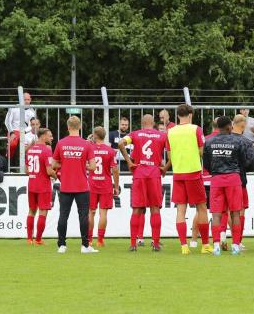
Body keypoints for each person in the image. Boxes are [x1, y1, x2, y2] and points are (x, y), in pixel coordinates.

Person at [162, 104, 211, 254]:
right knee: (201, 208)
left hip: (178, 174)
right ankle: (205, 245)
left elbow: (169, 156)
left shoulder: (170, 132)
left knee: (180, 210)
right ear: (190, 115)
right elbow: (202, 151)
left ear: (177, 116)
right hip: (193, 172)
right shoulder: (196, 129)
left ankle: (184, 246)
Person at [119, 115, 167, 251]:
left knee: (137, 208)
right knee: (155, 208)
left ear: (141, 123)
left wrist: (129, 162)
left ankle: (133, 244)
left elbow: (120, 143)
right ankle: (156, 244)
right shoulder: (161, 136)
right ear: (152, 123)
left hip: (139, 173)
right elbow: (172, 152)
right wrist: (166, 167)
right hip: (154, 174)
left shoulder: (135, 134)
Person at [52, 116, 98, 254]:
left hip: (66, 185)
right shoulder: (87, 144)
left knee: (63, 215)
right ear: (80, 127)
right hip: (82, 186)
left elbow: (53, 164)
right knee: (83, 216)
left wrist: (66, 164)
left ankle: (61, 245)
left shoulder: (61, 143)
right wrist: (81, 164)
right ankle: (85, 246)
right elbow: (94, 166)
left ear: (68, 127)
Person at [203, 116, 246, 255]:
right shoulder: (237, 141)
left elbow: (206, 164)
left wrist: (216, 171)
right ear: (229, 127)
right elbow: (243, 162)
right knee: (235, 213)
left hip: (216, 179)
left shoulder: (209, 142)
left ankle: (216, 245)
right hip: (233, 178)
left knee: (216, 214)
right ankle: (235, 245)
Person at [88, 127, 119, 248]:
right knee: (103, 213)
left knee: (90, 212)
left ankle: (89, 239)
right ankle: (100, 240)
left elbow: (86, 165)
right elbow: (115, 170)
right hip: (105, 184)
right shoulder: (110, 151)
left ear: (95, 135)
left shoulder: (89, 149)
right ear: (105, 136)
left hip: (91, 184)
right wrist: (116, 186)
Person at [25, 128, 57, 245]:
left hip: (32, 183)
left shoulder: (30, 150)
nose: (51, 138)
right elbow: (49, 171)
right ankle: (38, 239)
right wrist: (56, 175)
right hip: (43, 185)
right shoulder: (47, 150)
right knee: (43, 212)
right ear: (43, 136)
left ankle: (29, 239)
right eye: (50, 135)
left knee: (31, 211)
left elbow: (27, 171)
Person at [192, 118, 219, 248]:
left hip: (203, 178)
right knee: (223, 211)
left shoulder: (205, 139)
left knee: (199, 211)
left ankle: (193, 240)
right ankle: (221, 240)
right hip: (217, 179)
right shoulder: (225, 139)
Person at [232, 114, 254, 248]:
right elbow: (249, 163)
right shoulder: (246, 142)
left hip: (221, 178)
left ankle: (221, 238)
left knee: (223, 210)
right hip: (239, 179)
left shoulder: (224, 140)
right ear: (244, 124)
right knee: (240, 210)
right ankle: (237, 241)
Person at [5, 93, 36, 158]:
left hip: (26, 132)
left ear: (30, 100)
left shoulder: (32, 111)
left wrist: (24, 132)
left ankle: (27, 163)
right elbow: (7, 121)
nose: (27, 101)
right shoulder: (13, 108)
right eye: (25, 100)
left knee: (32, 145)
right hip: (14, 130)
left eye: (28, 99)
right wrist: (11, 132)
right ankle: (8, 159)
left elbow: (32, 125)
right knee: (12, 144)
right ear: (21, 100)